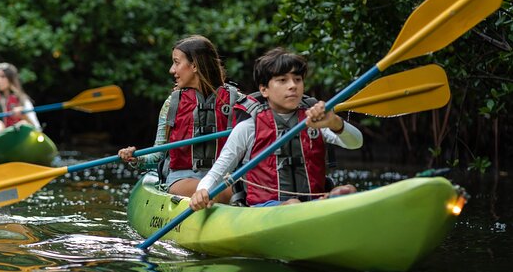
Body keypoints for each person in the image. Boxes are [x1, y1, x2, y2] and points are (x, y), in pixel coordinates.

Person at [190, 47, 363, 211]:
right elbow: (218, 171)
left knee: (346, 191)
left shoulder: (314, 121)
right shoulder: (249, 127)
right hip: (265, 209)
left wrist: (335, 123)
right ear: (264, 89)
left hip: (312, 205)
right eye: (282, 80)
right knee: (293, 204)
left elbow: (356, 143)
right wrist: (202, 191)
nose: (293, 86)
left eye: (297, 79)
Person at [118, 35, 252, 201]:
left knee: (237, 188)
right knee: (224, 191)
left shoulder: (237, 101)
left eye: (176, 62)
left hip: (225, 177)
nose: (172, 70)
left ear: (194, 65)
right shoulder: (172, 104)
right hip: (182, 179)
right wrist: (136, 157)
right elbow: (158, 156)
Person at [0, 62, 41, 135]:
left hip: (13, 137)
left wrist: (24, 116)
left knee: (24, 124)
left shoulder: (23, 100)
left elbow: (37, 129)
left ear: (11, 79)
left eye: (2, 77)